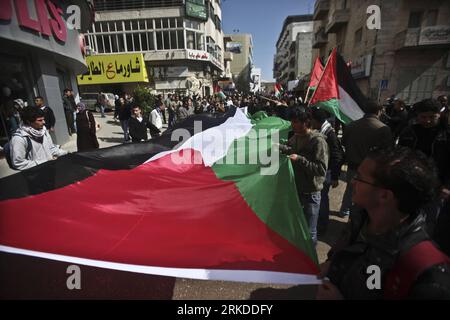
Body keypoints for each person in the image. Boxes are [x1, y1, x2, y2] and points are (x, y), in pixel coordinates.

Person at [317, 148, 450, 300]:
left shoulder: (427, 273)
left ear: (384, 195)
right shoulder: (360, 218)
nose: (352, 182)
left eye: (359, 178)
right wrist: (332, 262)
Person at [398, 98, 450, 241]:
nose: (427, 121)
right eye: (423, 117)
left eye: (432, 117)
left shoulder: (446, 134)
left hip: (437, 186)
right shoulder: (409, 131)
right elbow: (400, 154)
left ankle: (423, 245)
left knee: (430, 220)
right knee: (407, 215)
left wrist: (446, 186)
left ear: (439, 115)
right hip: (412, 182)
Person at [339, 101, 393, 217]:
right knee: (367, 192)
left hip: (352, 165)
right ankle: (358, 216)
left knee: (350, 189)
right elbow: (388, 151)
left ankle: (344, 210)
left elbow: (343, 142)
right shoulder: (383, 128)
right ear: (379, 111)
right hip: (372, 168)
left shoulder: (351, 125)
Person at [285, 107, 329, 245]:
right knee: (297, 228)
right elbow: (290, 149)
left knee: (309, 232)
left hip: (311, 193)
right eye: (292, 121)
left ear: (306, 122)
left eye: (296, 121)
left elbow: (321, 169)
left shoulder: (318, 141)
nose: (293, 125)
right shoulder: (295, 137)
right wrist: (280, 147)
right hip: (296, 190)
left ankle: (311, 262)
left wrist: (300, 159)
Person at [311, 107, 344, 233]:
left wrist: (335, 176)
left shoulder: (330, 134)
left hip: (327, 172)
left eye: (312, 120)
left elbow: (337, 155)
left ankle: (322, 227)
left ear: (317, 121)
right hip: (324, 170)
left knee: (322, 200)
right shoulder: (322, 130)